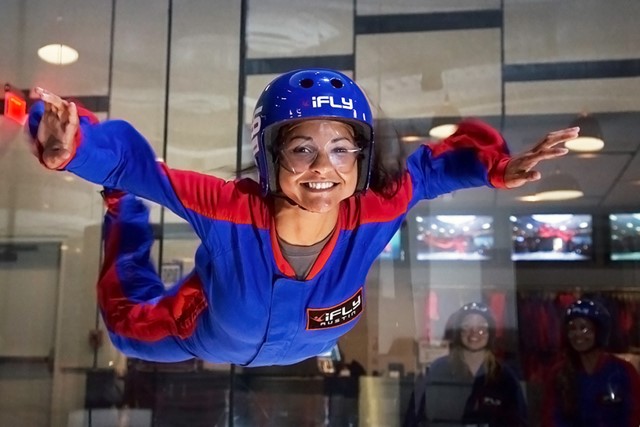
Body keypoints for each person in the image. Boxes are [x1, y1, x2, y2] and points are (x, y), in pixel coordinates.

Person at [28, 68, 579, 367]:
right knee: (124, 327)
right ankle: (120, 210)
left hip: (312, 348)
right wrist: (76, 148)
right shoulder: (231, 211)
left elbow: (432, 168)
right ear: (271, 158)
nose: (323, 168)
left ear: (360, 160)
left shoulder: (374, 211)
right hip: (208, 335)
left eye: (342, 149)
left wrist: (499, 169)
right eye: (301, 150)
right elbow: (139, 165)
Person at [405, 302, 528, 427]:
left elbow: (519, 422)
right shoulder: (437, 372)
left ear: (490, 333)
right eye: (466, 327)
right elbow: (414, 420)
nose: (473, 333)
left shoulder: (505, 378)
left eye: (481, 329)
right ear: (458, 332)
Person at [542, 299, 640, 427]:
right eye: (572, 328)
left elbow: (633, 414)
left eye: (584, 328)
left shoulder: (623, 371)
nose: (577, 334)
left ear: (599, 331)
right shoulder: (559, 374)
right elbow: (550, 419)